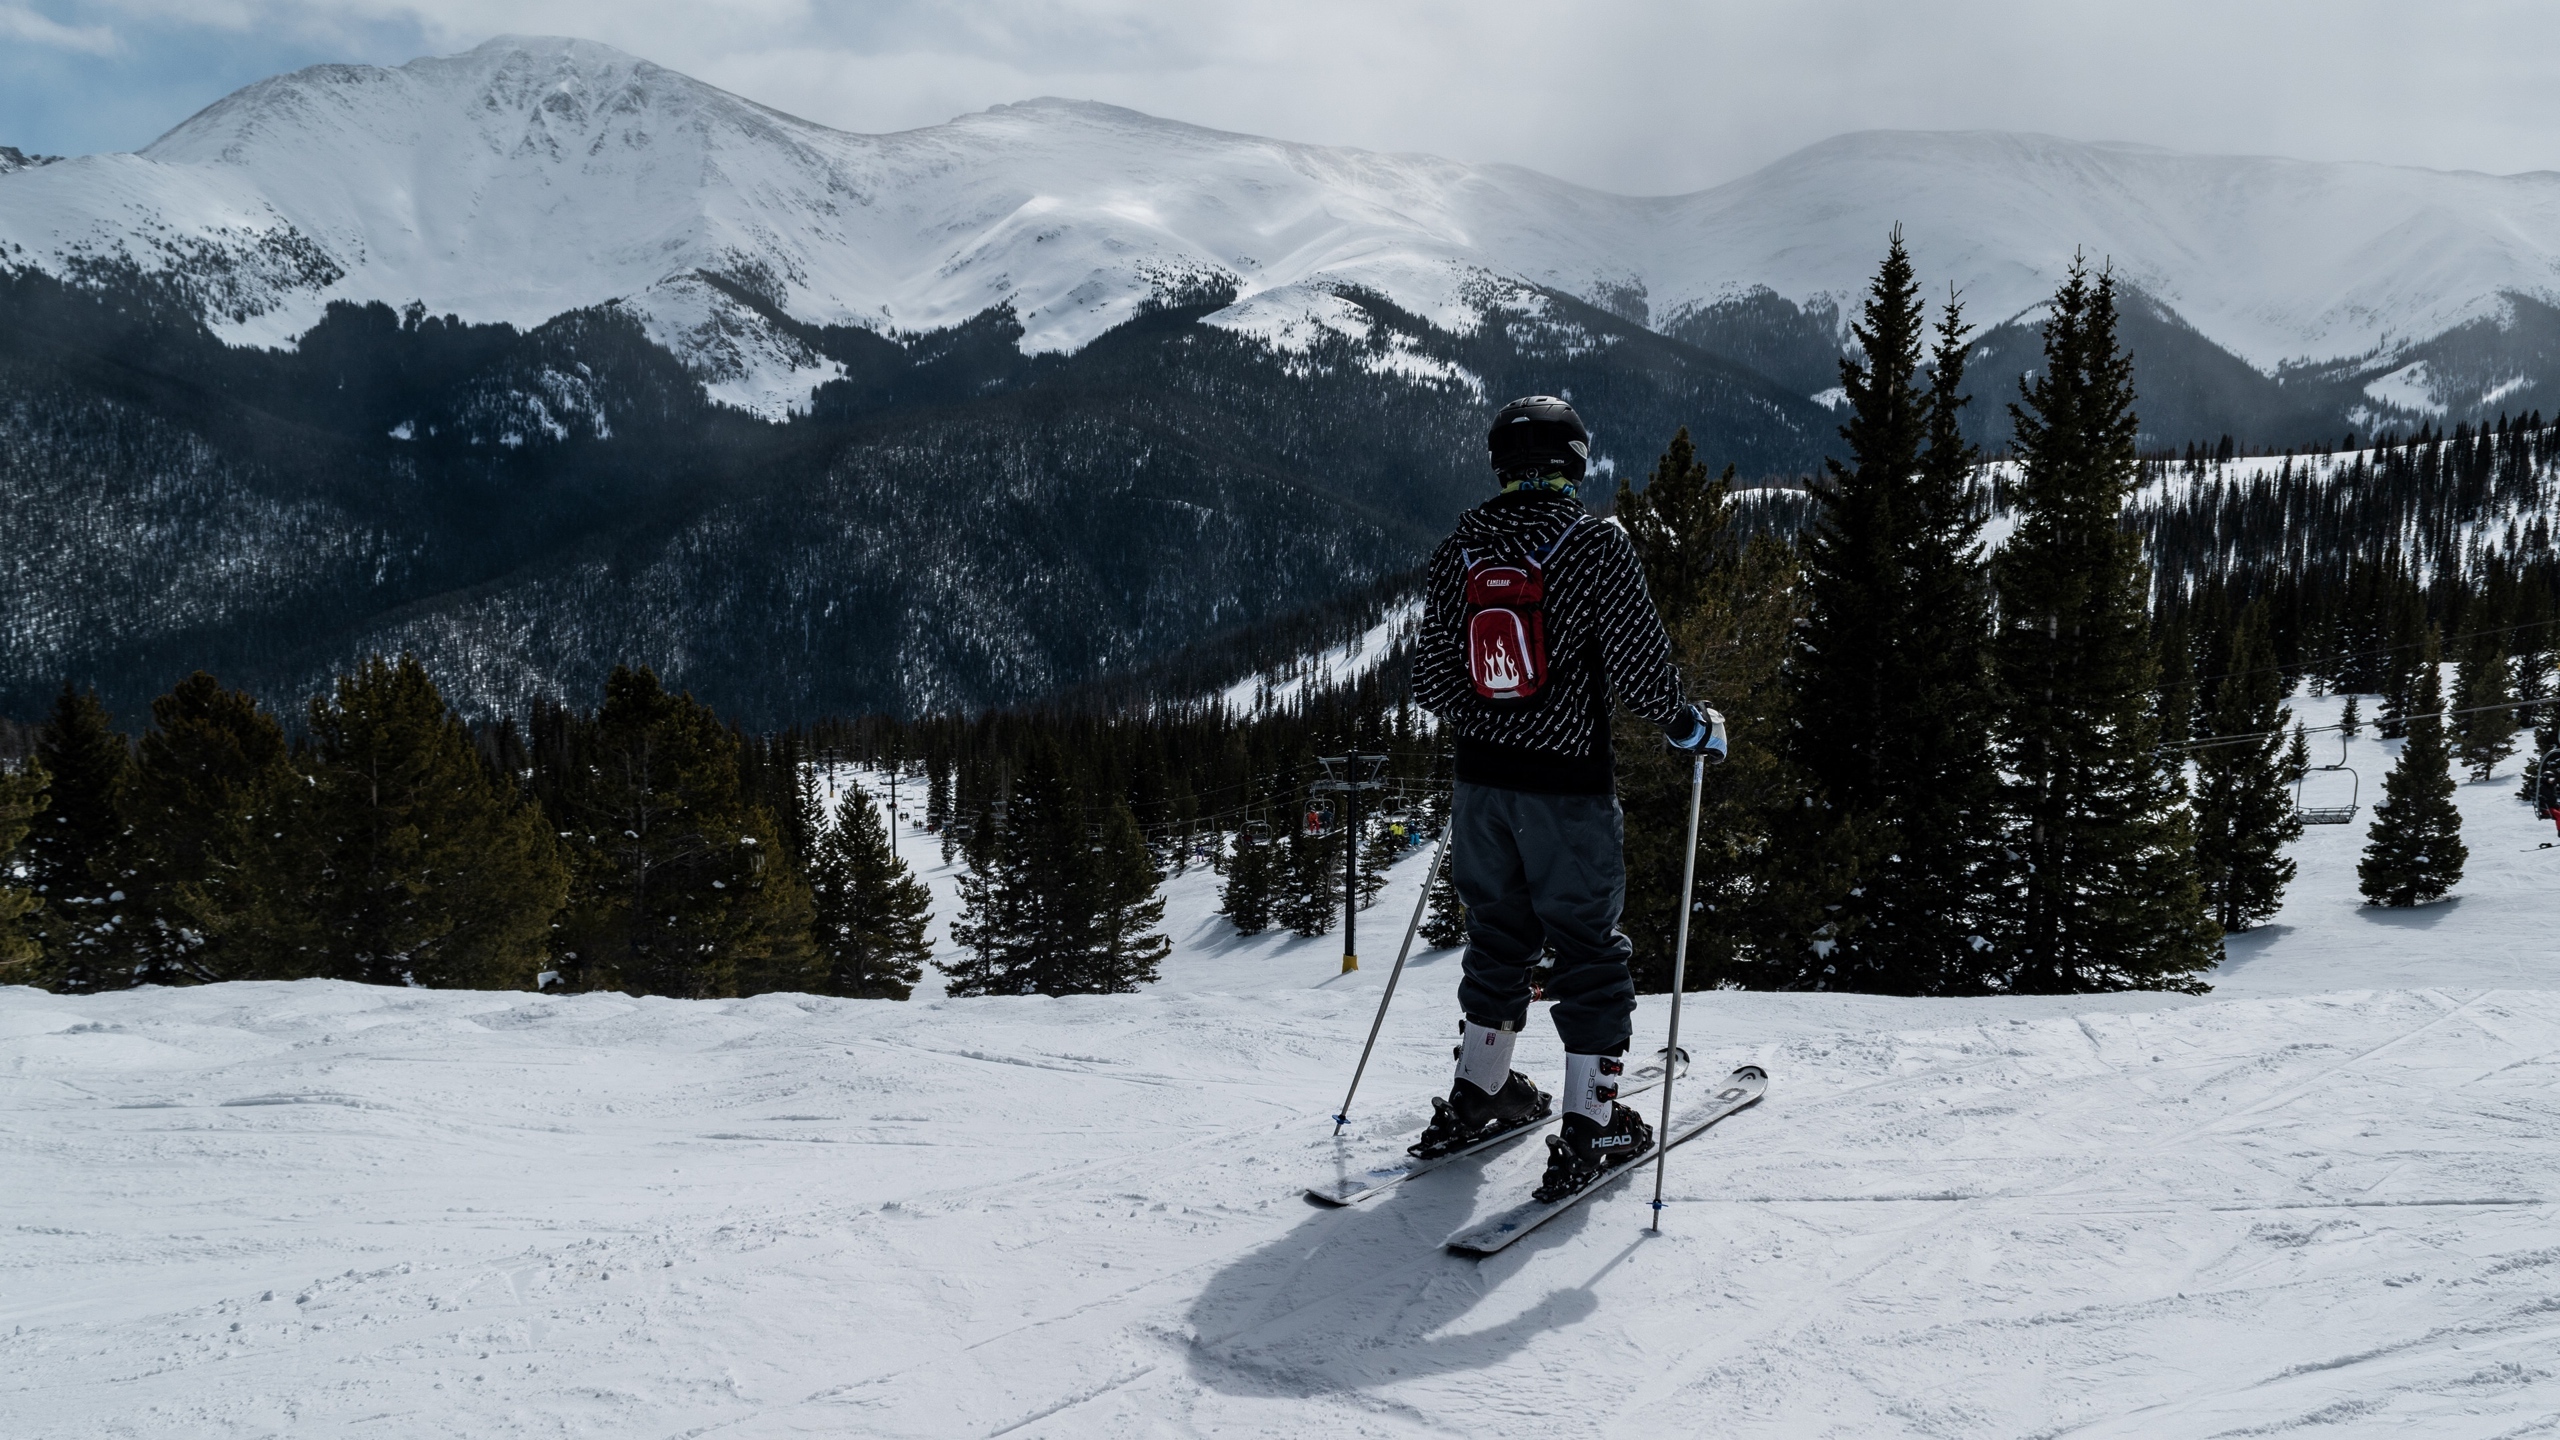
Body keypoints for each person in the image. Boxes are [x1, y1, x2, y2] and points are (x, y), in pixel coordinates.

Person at [1410, 395, 1724, 1202]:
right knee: (1586, 949)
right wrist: (1691, 728)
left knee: (1496, 936)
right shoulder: (1592, 545)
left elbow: (1431, 681)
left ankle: (1481, 1092)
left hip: (1480, 787)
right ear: (1575, 461)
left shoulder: (1459, 552)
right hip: (1568, 790)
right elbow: (1643, 675)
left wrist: (1496, 723)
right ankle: (1595, 1125)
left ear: (1501, 464)